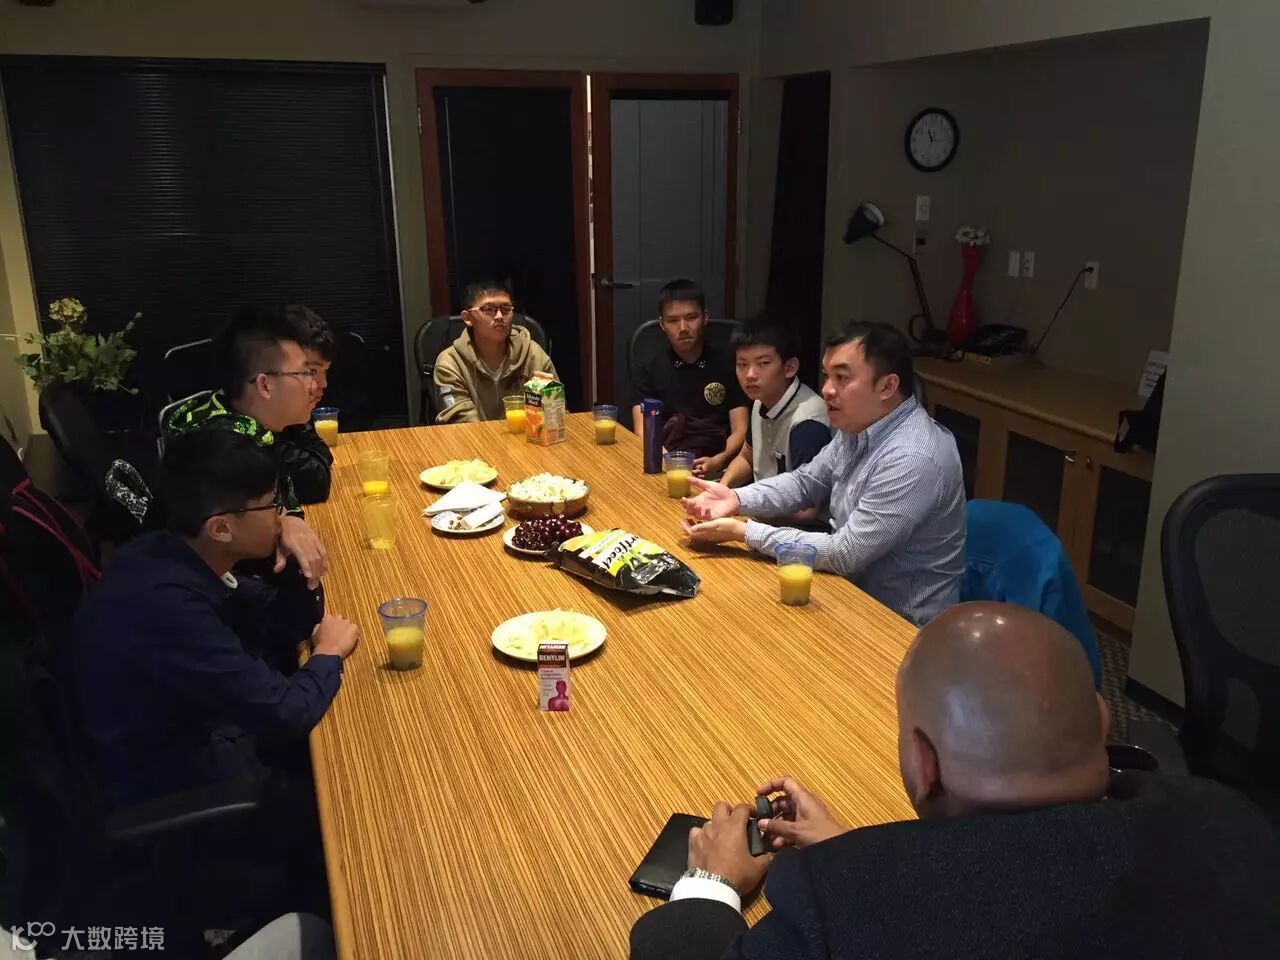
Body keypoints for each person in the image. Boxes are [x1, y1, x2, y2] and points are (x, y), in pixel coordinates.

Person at [630, 603, 1280, 959]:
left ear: (923, 765)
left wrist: (712, 884)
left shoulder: (842, 913)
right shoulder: (1234, 822)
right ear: (1103, 721)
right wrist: (858, 855)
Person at [67, 430, 360, 806]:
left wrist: (294, 557)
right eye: (271, 505)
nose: (281, 516)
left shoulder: (175, 549)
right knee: (348, 782)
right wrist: (328, 655)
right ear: (221, 528)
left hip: (203, 724)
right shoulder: (168, 605)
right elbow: (284, 711)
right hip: (172, 777)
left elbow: (280, 622)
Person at [681, 321, 964, 625]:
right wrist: (737, 499)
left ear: (887, 386)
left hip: (898, 625)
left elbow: (845, 553)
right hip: (846, 595)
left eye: (842, 378)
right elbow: (806, 481)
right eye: (827, 376)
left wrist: (746, 532)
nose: (827, 389)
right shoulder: (858, 426)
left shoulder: (913, 457)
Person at [164, 307, 330, 580]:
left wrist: (287, 517)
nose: (317, 385)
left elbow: (285, 489)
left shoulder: (249, 425)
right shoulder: (225, 447)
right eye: (307, 373)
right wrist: (282, 522)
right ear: (264, 385)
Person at [631, 279, 748, 478]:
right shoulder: (649, 368)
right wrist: (669, 461)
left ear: (705, 317)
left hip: (719, 464)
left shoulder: (729, 364)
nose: (683, 328)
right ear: (662, 324)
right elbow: (642, 430)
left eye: (691, 317)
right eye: (673, 320)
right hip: (664, 463)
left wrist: (719, 459)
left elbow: (741, 429)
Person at [720, 320, 830, 524]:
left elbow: (807, 511)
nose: (749, 375)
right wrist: (722, 489)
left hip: (801, 531)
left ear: (790, 367)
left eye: (762, 364)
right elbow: (746, 458)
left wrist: (739, 508)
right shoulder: (760, 401)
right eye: (742, 364)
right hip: (761, 515)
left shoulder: (808, 421)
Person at [433, 280, 558, 424]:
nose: (499, 316)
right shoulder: (450, 363)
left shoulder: (533, 354)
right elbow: (462, 425)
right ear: (467, 318)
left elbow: (555, 410)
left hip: (527, 436)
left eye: (506, 309)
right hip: (475, 438)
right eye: (488, 309)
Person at [276, 303, 337, 503]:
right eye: (310, 371)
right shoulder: (236, 434)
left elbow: (323, 454)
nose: (323, 384)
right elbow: (314, 480)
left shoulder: (285, 416)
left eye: (324, 372)